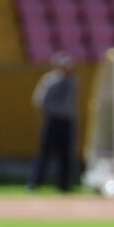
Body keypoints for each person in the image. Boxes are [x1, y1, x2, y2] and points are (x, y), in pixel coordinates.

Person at [29, 51, 77, 192]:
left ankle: (64, 184)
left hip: (67, 121)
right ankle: (35, 183)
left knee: (66, 154)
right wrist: (55, 111)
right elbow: (39, 101)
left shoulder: (73, 81)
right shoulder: (50, 81)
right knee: (45, 152)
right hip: (53, 120)